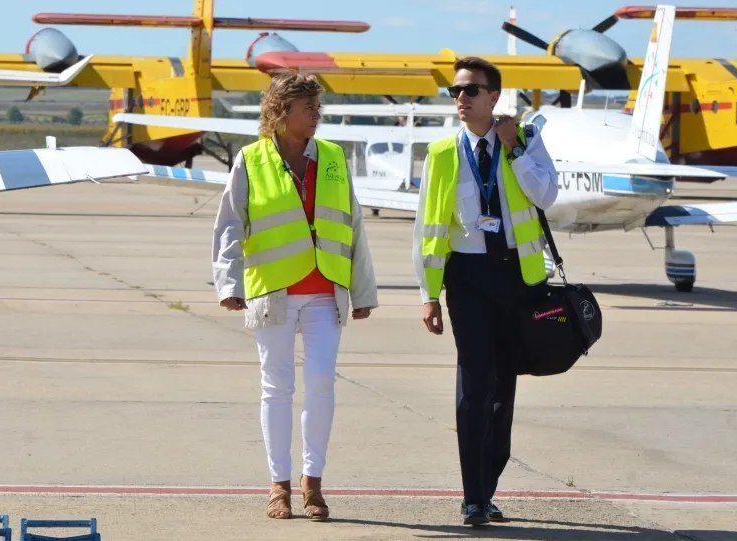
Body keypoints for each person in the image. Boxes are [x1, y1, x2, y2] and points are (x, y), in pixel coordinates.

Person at [211, 72, 379, 521]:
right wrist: (229, 284)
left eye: (318, 107)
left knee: (322, 383)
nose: (317, 115)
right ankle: (278, 484)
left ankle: (313, 482)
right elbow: (230, 224)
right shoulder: (250, 160)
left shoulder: (333, 158)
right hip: (273, 291)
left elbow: (353, 223)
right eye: (309, 108)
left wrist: (362, 289)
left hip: (326, 289)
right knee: (277, 387)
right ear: (281, 112)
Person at [412, 56, 559, 526]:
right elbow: (427, 228)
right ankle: (473, 497)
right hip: (468, 279)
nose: (461, 98)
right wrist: (428, 294)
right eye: (455, 91)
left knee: (503, 392)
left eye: (471, 90)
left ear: (494, 96)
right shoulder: (441, 154)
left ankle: (487, 488)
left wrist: (514, 150)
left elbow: (545, 196)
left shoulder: (526, 139)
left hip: (518, 279)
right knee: (474, 386)